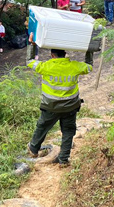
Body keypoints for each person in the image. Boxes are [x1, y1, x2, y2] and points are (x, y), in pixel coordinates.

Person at [26, 32, 92, 167]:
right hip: (70, 107)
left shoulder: (46, 66)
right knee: (68, 131)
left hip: (50, 107)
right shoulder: (74, 66)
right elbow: (89, 66)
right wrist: (89, 51)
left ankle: (33, 149)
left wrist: (32, 45)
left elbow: (29, 61)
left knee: (42, 126)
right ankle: (63, 160)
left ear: (52, 55)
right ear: (65, 54)